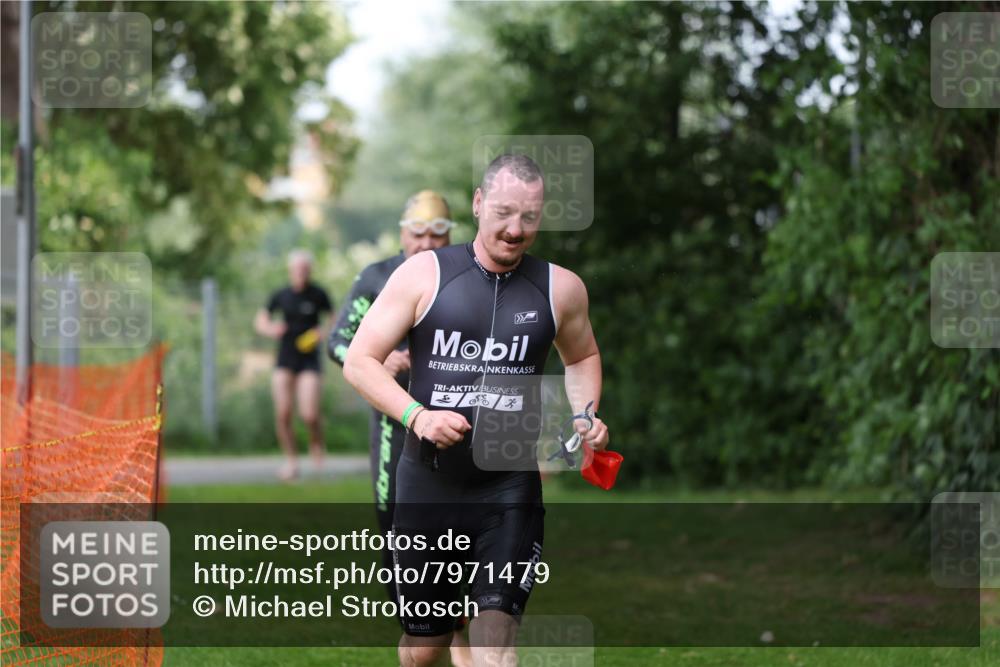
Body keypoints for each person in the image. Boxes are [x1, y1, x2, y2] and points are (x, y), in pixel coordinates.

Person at [343, 154, 610, 667]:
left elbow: (582, 357)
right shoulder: (423, 275)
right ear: (478, 203)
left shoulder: (561, 288)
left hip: (509, 488)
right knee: (425, 648)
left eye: (529, 218)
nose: (514, 230)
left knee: (494, 645)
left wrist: (586, 415)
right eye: (504, 213)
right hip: (428, 486)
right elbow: (360, 361)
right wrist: (418, 416)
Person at [328, 191, 473, 667]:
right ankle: (424, 625)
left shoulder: (466, 272)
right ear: (401, 232)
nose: (426, 242)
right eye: (417, 232)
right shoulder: (375, 276)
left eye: (437, 233)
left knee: (468, 527)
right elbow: (338, 342)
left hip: (460, 423)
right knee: (397, 525)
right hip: (397, 423)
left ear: (451, 234)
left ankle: (459, 629)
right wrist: (384, 358)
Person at [254, 249, 333, 481]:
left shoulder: (319, 294)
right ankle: (291, 461)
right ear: (290, 271)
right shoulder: (281, 295)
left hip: (309, 359)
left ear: (310, 270)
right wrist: (271, 329)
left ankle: (317, 442)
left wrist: (322, 332)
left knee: (309, 414)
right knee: (283, 413)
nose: (300, 272)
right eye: (297, 269)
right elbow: (260, 321)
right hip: (285, 358)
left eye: (304, 269)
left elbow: (334, 320)